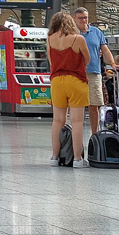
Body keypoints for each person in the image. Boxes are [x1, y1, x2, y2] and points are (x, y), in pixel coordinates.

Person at [47, 11, 91, 168]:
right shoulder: (78, 39)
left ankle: (54, 157)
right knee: (77, 121)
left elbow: (51, 61)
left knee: (57, 120)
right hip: (76, 81)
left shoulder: (50, 39)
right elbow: (87, 59)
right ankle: (78, 159)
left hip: (57, 82)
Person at [73, 8, 116, 134]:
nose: (84, 20)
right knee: (77, 106)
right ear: (74, 18)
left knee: (94, 104)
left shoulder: (96, 32)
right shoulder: (71, 33)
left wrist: (112, 63)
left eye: (85, 17)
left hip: (94, 72)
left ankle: (95, 133)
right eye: (81, 18)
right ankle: (76, 134)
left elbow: (105, 49)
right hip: (76, 73)